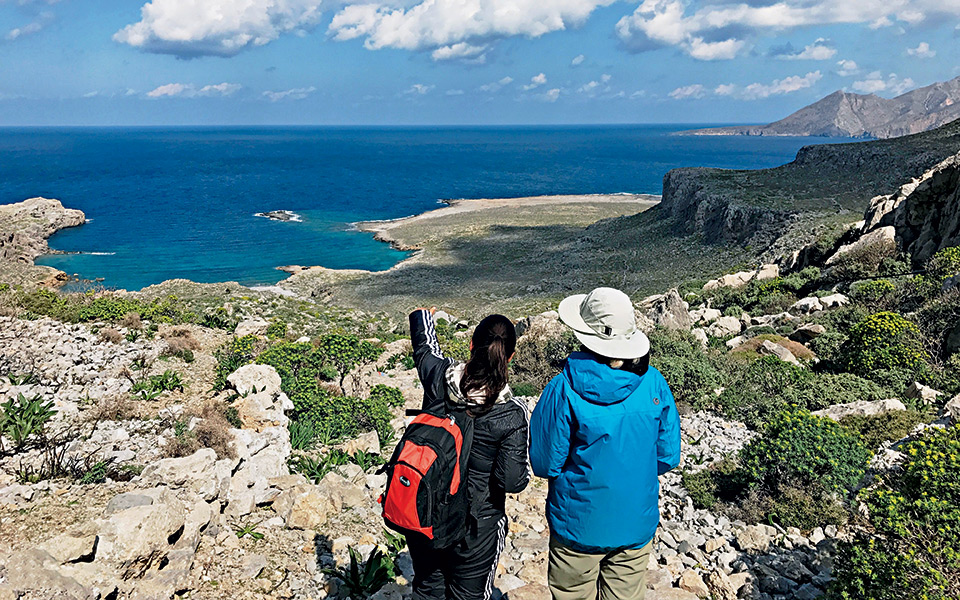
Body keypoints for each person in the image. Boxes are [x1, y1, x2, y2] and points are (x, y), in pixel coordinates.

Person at [529, 287, 681, 600]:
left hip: (577, 525)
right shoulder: (654, 382)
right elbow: (668, 455)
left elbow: (545, 463)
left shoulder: (563, 388)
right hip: (635, 521)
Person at [406, 307, 531, 600]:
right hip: (478, 523)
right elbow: (512, 481)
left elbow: (424, 349)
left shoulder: (440, 378)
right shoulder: (511, 413)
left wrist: (423, 316)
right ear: (510, 357)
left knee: (428, 588)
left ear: (471, 346)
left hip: (427, 508)